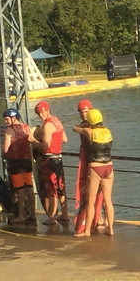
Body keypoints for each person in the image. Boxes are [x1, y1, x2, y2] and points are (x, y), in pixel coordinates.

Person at [73, 107, 114, 237]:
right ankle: (111, 229)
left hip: (95, 168)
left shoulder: (88, 131)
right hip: (109, 167)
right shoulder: (108, 132)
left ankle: (86, 231)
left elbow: (75, 128)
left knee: (90, 201)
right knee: (108, 200)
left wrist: (85, 123)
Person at [31, 100, 69, 226]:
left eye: (42, 112)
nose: (40, 115)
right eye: (38, 114)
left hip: (49, 159)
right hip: (58, 157)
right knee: (61, 187)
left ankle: (52, 217)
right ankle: (65, 214)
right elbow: (64, 139)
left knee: (51, 188)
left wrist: (34, 141)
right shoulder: (57, 121)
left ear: (47, 110)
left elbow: (45, 146)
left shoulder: (47, 125)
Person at [1, 107, 35, 225]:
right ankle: (34, 214)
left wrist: (3, 151)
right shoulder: (26, 127)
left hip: (16, 162)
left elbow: (6, 149)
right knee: (29, 188)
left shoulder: (9, 131)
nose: (6, 122)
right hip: (27, 161)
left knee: (20, 189)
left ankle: (21, 215)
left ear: (13, 118)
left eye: (7, 119)